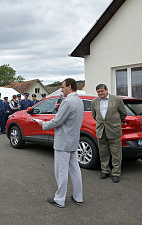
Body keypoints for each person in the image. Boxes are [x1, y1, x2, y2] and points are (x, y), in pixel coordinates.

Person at [37, 78, 84, 208]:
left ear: (69, 87)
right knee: (75, 170)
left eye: (63, 87)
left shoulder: (68, 101)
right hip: (73, 140)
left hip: (63, 141)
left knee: (61, 171)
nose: (61, 90)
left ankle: (59, 199)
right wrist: (58, 110)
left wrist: (43, 124)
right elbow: (66, 118)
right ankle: (78, 196)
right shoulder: (78, 100)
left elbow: (57, 121)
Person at [91, 84, 127, 183]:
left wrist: (115, 123)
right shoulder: (94, 102)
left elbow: (123, 114)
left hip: (114, 130)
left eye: (102, 91)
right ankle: (105, 170)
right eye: (98, 92)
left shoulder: (116, 99)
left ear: (107, 90)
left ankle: (115, 173)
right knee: (103, 152)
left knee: (116, 153)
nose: (100, 93)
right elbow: (94, 115)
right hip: (101, 130)